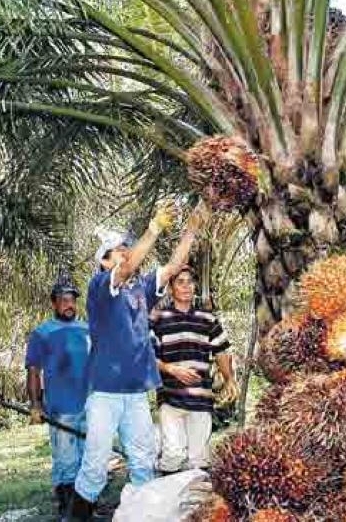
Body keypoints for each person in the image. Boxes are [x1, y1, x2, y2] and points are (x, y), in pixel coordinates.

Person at [69, 201, 210, 520]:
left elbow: (174, 266)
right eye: (116, 251)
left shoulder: (142, 289)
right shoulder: (100, 288)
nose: (123, 253)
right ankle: (76, 516)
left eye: (125, 248)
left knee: (144, 461)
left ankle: (143, 514)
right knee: (95, 463)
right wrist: (154, 228)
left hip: (135, 393)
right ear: (104, 263)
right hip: (104, 393)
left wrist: (192, 228)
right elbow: (129, 266)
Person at [151, 265, 237, 475]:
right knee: (173, 455)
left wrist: (229, 379)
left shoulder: (207, 319)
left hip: (201, 399)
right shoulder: (159, 320)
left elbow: (221, 351)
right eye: (180, 282)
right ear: (171, 288)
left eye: (190, 281)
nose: (187, 286)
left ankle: (194, 505)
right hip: (170, 398)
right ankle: (168, 503)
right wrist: (170, 369)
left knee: (198, 458)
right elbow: (146, 356)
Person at [25, 275, 90, 516]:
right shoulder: (42, 333)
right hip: (61, 408)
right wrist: (35, 405)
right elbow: (33, 370)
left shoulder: (87, 329)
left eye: (72, 299)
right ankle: (67, 509)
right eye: (63, 300)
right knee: (66, 461)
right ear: (53, 304)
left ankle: (86, 508)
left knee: (88, 459)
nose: (68, 304)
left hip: (90, 406)